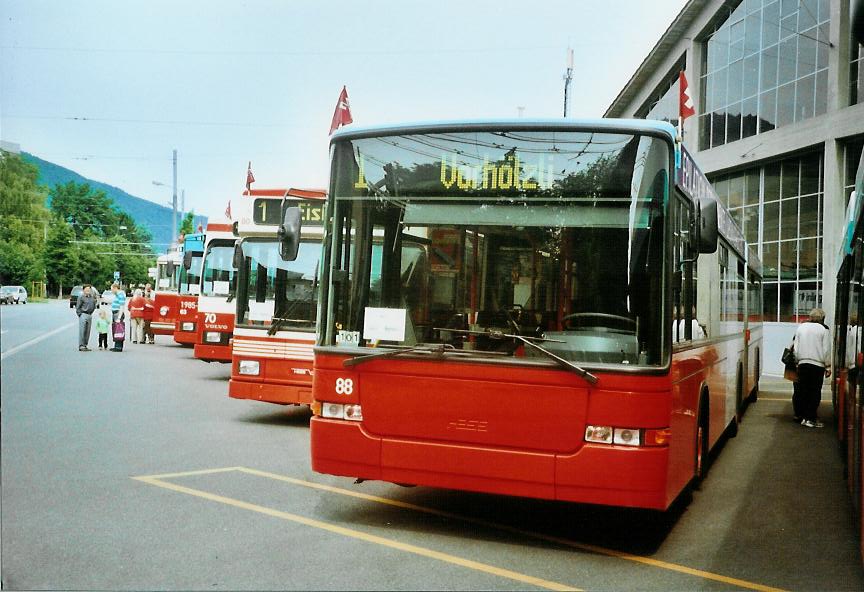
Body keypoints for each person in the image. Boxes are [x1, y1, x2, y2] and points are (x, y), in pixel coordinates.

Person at [792, 308, 832, 428]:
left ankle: (803, 416)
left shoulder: (801, 328)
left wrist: (797, 361)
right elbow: (826, 349)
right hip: (817, 365)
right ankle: (810, 418)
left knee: (802, 390)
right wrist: (828, 366)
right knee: (814, 392)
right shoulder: (823, 330)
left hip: (803, 363)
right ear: (822, 318)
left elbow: (796, 347)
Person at [75, 284, 98, 351]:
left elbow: (94, 305)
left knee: (88, 331)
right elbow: (78, 307)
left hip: (89, 315)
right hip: (83, 314)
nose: (88, 290)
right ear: (84, 290)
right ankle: (81, 345)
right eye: (87, 289)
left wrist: (91, 312)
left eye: (89, 289)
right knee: (82, 330)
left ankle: (85, 345)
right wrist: (80, 314)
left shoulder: (92, 297)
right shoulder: (81, 297)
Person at [109, 283, 127, 352]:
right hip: (115, 313)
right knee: (116, 330)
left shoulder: (120, 295)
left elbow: (122, 306)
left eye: (112, 289)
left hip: (118, 313)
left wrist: (119, 317)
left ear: (115, 288)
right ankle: (116, 345)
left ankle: (118, 346)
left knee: (119, 330)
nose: (112, 291)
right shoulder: (117, 295)